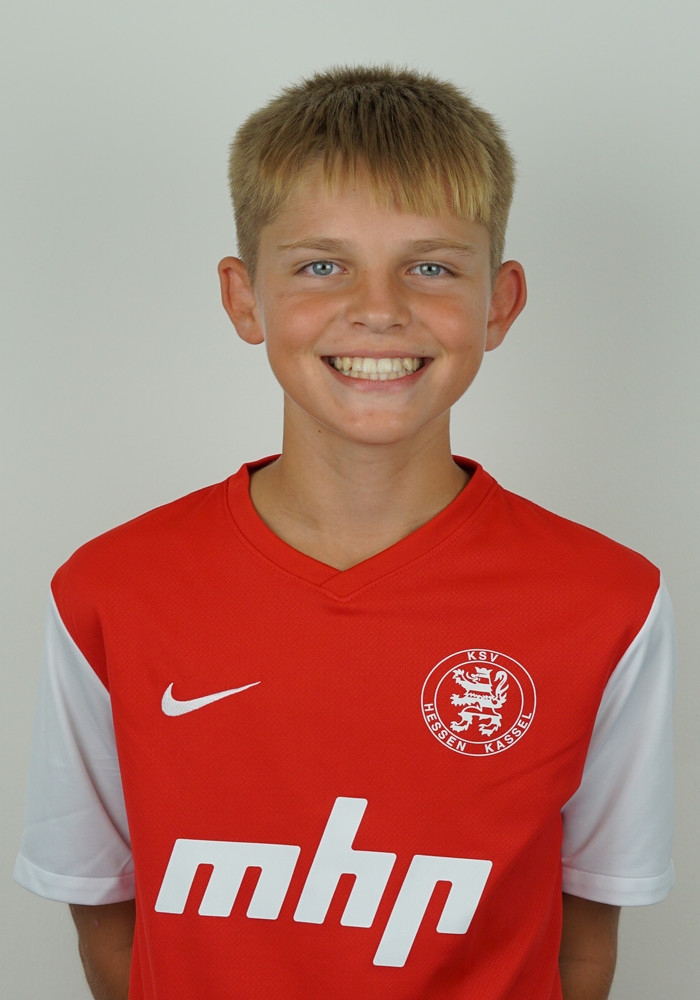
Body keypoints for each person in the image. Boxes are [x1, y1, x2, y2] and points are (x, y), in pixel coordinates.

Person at [14, 65, 675, 1000]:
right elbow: (106, 917)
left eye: (431, 266)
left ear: (499, 302)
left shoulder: (610, 602)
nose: (380, 307)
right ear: (244, 298)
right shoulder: (109, 591)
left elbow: (585, 935)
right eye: (322, 265)